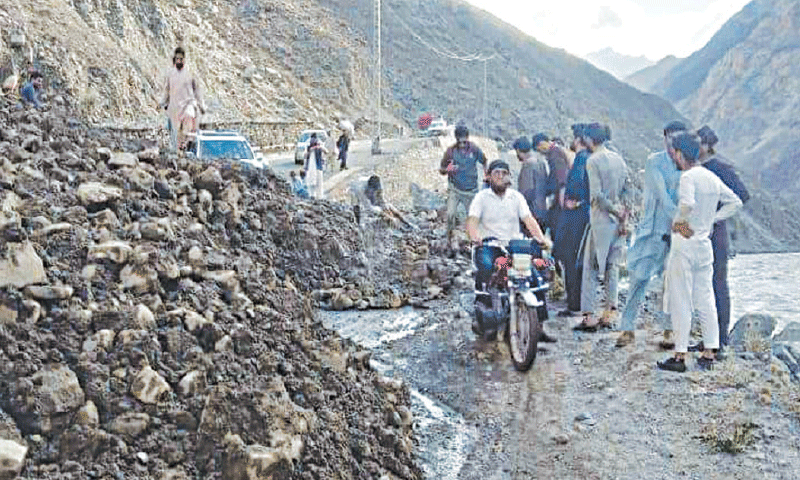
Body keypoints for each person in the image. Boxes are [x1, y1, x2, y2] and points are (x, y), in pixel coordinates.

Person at [657, 133, 743, 372]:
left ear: (680, 154)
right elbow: (735, 202)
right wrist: (713, 220)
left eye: (674, 152)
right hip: (704, 242)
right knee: (705, 298)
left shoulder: (688, 177)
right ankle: (710, 352)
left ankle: (680, 356)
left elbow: (687, 204)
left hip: (685, 243)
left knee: (680, 298)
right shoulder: (710, 177)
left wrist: (679, 223)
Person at [615, 121, 687, 347]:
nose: (672, 143)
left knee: (671, 282)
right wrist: (685, 226)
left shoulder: (686, 164)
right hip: (652, 230)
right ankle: (627, 328)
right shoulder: (654, 162)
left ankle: (668, 330)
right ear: (664, 138)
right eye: (669, 137)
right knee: (638, 278)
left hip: (676, 233)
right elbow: (663, 198)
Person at [466, 160, 555, 342]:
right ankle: (486, 318)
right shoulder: (481, 198)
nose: (500, 176)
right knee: (486, 267)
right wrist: (474, 236)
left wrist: (540, 238)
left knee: (535, 275)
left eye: (504, 172)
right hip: (491, 245)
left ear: (509, 177)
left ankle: (539, 326)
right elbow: (472, 221)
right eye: (496, 172)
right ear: (488, 177)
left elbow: (529, 220)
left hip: (515, 246)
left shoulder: (516, 197)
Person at [685, 126, 750, 355]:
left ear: (706, 145)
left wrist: (716, 216)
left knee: (717, 285)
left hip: (716, 233)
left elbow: (742, 195)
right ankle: (710, 338)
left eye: (698, 143)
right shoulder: (699, 169)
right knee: (705, 287)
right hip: (703, 233)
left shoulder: (719, 167)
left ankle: (720, 340)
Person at [573, 123, 630, 331]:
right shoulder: (619, 159)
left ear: (588, 139)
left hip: (600, 221)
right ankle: (610, 313)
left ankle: (589, 316)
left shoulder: (593, 160)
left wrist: (613, 210)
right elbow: (627, 189)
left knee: (590, 268)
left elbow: (597, 196)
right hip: (618, 222)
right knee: (612, 267)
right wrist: (623, 216)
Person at [552, 124, 591, 316]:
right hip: (584, 217)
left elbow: (574, 190)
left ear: (579, 139)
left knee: (570, 259)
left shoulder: (581, 160)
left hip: (574, 219)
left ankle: (574, 303)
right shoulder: (590, 158)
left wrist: (571, 201)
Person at [439, 125, 488, 243]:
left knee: (472, 217)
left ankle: (474, 240)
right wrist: (447, 170)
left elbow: (485, 161)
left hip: (471, 191)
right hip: (454, 189)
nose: (462, 145)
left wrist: (487, 176)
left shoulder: (474, 149)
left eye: (464, 142)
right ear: (456, 139)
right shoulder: (450, 151)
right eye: (459, 142)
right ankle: (449, 238)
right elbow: (441, 169)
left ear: (467, 139)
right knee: (450, 214)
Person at [160, 47, 206, 151]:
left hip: (188, 104)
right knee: (176, 133)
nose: (179, 61)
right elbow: (166, 90)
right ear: (174, 60)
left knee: (188, 121)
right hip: (175, 106)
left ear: (184, 59)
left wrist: (201, 105)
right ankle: (179, 152)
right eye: (177, 59)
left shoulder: (191, 73)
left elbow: (197, 90)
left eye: (181, 59)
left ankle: (187, 143)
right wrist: (162, 103)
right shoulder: (170, 74)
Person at [532, 133, 569, 234]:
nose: (541, 153)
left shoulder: (555, 153)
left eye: (539, 149)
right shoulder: (555, 152)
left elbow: (560, 176)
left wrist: (548, 190)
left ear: (541, 144)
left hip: (559, 194)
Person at [513, 136, 548, 230]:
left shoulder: (527, 166)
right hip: (543, 211)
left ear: (518, 151)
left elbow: (526, 191)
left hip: (531, 214)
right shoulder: (541, 163)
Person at [304, 133, 328, 199]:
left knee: (312, 182)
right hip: (318, 167)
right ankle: (318, 196)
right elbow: (326, 152)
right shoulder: (318, 147)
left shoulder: (310, 148)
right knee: (318, 183)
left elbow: (305, 156)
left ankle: (313, 195)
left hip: (311, 168)